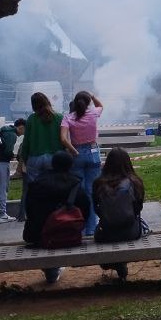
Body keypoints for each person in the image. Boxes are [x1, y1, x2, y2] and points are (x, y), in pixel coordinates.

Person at [22, 150, 90, 284]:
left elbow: (29, 209)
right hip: (69, 235)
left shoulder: (38, 182)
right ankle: (52, 270)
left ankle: (51, 270)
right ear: (70, 165)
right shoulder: (76, 184)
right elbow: (85, 211)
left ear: (52, 164)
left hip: (39, 235)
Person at [93, 147, 146, 280]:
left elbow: (96, 208)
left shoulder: (98, 183)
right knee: (143, 225)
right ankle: (119, 263)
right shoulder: (135, 182)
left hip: (105, 233)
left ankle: (115, 263)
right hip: (130, 232)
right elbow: (138, 208)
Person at [61, 91, 104, 236]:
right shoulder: (93, 113)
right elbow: (101, 105)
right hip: (93, 151)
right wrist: (92, 96)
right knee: (91, 190)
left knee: (79, 191)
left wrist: (73, 150)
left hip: (77, 153)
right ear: (88, 102)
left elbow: (63, 138)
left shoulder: (68, 117)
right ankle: (92, 226)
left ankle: (81, 226)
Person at [18, 92, 65, 191]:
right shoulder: (59, 117)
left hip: (35, 158)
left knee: (34, 189)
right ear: (47, 101)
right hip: (55, 158)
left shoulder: (31, 119)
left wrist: (24, 159)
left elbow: (26, 142)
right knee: (53, 188)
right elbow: (64, 140)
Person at [0, 116, 20, 225]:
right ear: (21, 127)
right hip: (2, 163)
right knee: (2, 189)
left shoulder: (4, 131)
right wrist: (12, 155)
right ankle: (2, 214)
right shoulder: (12, 135)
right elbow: (7, 151)